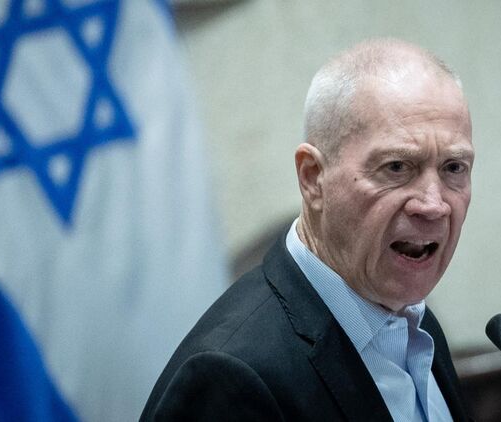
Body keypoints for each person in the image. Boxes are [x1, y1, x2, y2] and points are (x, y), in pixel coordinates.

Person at [141, 38, 474, 421]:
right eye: (397, 167)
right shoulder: (229, 378)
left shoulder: (415, 327)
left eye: (454, 168)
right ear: (313, 177)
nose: (433, 205)